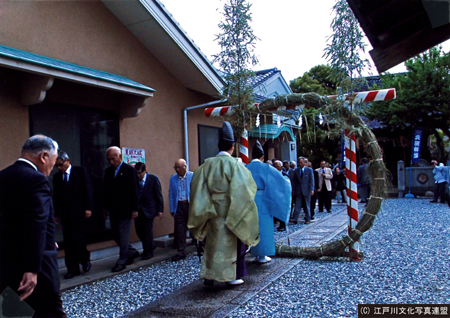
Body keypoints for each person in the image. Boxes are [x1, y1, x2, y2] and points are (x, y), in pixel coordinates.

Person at [0, 135, 67, 317]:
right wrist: (32, 268)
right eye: (52, 164)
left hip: (7, 263)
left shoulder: (3, 175)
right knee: (50, 313)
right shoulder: (36, 179)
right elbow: (36, 222)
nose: (51, 169)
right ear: (44, 156)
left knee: (15, 312)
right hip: (37, 268)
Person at [188, 121, 259, 286]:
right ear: (232, 147)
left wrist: (206, 209)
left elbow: (197, 190)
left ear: (218, 146)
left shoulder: (205, 166)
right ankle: (232, 277)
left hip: (210, 210)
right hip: (231, 211)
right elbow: (244, 191)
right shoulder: (237, 165)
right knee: (232, 244)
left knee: (211, 245)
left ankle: (210, 275)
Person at [247, 146, 291, 264]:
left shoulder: (245, 167)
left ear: (252, 155)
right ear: (262, 157)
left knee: (250, 227)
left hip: (247, 199)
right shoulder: (266, 168)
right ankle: (262, 255)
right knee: (264, 227)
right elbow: (281, 182)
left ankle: (252, 252)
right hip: (262, 200)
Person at [53, 151, 93, 279]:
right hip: (65, 213)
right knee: (68, 242)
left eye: (60, 164)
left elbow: (87, 189)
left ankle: (85, 259)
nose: (59, 168)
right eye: (56, 166)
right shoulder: (57, 177)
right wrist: (56, 213)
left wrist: (88, 207)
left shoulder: (80, 171)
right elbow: (56, 197)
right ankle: (72, 268)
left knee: (79, 238)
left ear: (67, 161)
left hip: (79, 211)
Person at [103, 146, 140, 272]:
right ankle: (132, 252)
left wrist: (135, 209)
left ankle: (122, 260)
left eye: (113, 159)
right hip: (113, 209)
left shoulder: (129, 170)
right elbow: (106, 191)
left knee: (124, 236)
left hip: (126, 209)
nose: (111, 162)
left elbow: (135, 190)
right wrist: (105, 208)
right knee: (116, 235)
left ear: (120, 157)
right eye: (109, 159)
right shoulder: (108, 172)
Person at [134, 162, 164, 260]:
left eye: (139, 173)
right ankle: (150, 245)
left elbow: (158, 194)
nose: (138, 175)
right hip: (138, 210)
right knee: (139, 231)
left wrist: (160, 209)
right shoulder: (134, 180)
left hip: (149, 209)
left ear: (145, 171)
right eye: (136, 173)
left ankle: (148, 252)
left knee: (147, 231)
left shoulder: (153, 179)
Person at [169, 158, 194, 261]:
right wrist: (172, 208)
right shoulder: (173, 179)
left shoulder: (192, 176)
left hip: (190, 205)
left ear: (185, 167)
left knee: (194, 226)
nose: (177, 169)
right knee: (180, 229)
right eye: (175, 167)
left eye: (179, 167)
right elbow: (171, 194)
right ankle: (181, 251)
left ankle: (200, 247)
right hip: (178, 205)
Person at [291, 157, 315, 224]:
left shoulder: (309, 170)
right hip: (298, 190)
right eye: (299, 162)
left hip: (306, 190)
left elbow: (311, 181)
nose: (300, 164)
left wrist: (312, 189)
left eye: (301, 162)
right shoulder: (296, 170)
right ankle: (295, 218)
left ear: (305, 163)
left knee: (307, 205)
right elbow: (294, 181)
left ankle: (308, 218)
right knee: (297, 205)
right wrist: (293, 189)